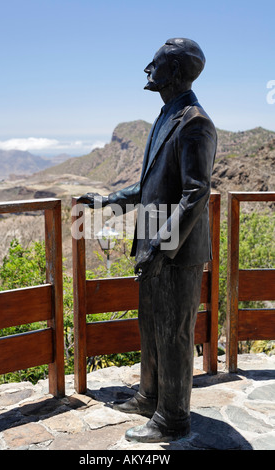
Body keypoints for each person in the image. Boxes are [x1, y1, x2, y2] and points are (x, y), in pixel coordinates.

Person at [78, 38, 217, 443]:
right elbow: (148, 187)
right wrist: (108, 201)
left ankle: (173, 418)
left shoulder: (194, 122)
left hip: (176, 252)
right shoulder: (165, 116)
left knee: (174, 333)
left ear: (173, 70)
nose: (147, 70)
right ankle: (149, 396)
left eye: (154, 64)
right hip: (154, 248)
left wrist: (161, 247)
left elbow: (196, 193)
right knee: (150, 326)